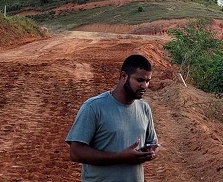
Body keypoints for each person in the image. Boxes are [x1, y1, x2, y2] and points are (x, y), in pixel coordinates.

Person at [65, 54, 159, 182]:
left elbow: (152, 142)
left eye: (147, 81)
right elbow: (75, 153)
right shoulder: (94, 107)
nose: (144, 86)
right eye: (139, 80)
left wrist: (151, 151)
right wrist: (120, 157)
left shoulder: (144, 108)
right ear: (123, 76)